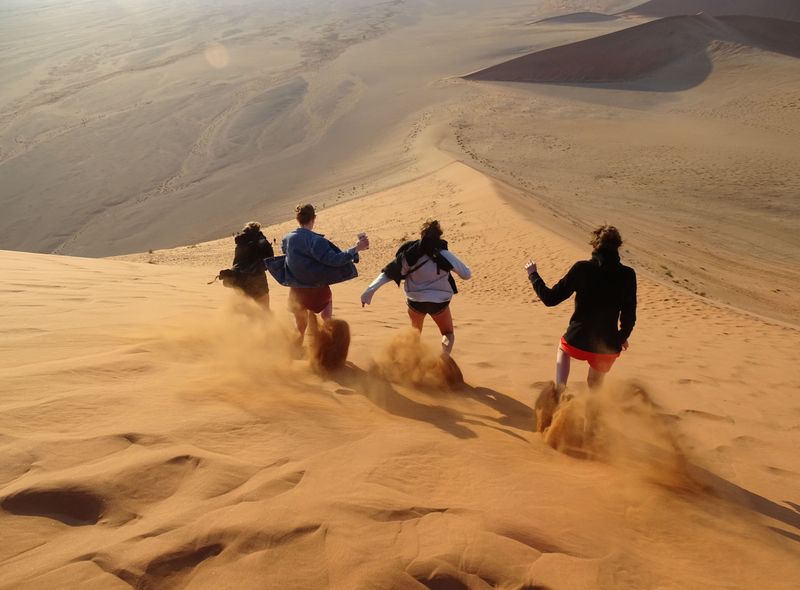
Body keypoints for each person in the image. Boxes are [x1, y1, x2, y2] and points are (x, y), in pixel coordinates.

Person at [525, 225, 636, 391]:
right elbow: (629, 315)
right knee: (595, 385)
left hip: (577, 340)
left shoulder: (582, 268)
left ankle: (560, 390)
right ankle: (594, 408)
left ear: (595, 244)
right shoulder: (628, 274)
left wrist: (533, 275)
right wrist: (620, 337)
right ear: (618, 246)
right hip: (608, 346)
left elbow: (550, 299)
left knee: (563, 349)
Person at [361, 220, 471, 356]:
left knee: (415, 334)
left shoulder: (410, 254)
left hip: (415, 301)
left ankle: (413, 362)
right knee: (447, 333)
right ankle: (444, 357)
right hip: (439, 302)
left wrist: (368, 292)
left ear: (422, 234)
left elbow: (388, 273)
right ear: (439, 235)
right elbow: (466, 275)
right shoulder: (444, 254)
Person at [274, 204, 369, 345]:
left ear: (298, 219)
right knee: (327, 318)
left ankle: (294, 352)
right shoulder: (316, 240)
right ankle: (328, 350)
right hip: (316, 289)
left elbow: (287, 253)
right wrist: (356, 248)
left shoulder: (287, 238)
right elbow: (334, 260)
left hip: (296, 290)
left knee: (300, 327)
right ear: (314, 218)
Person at [231, 221, 274, 308]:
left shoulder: (240, 242)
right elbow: (270, 259)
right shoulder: (262, 241)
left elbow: (237, 260)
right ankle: (267, 321)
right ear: (258, 230)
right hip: (256, 277)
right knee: (265, 308)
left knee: (246, 309)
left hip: (238, 278)